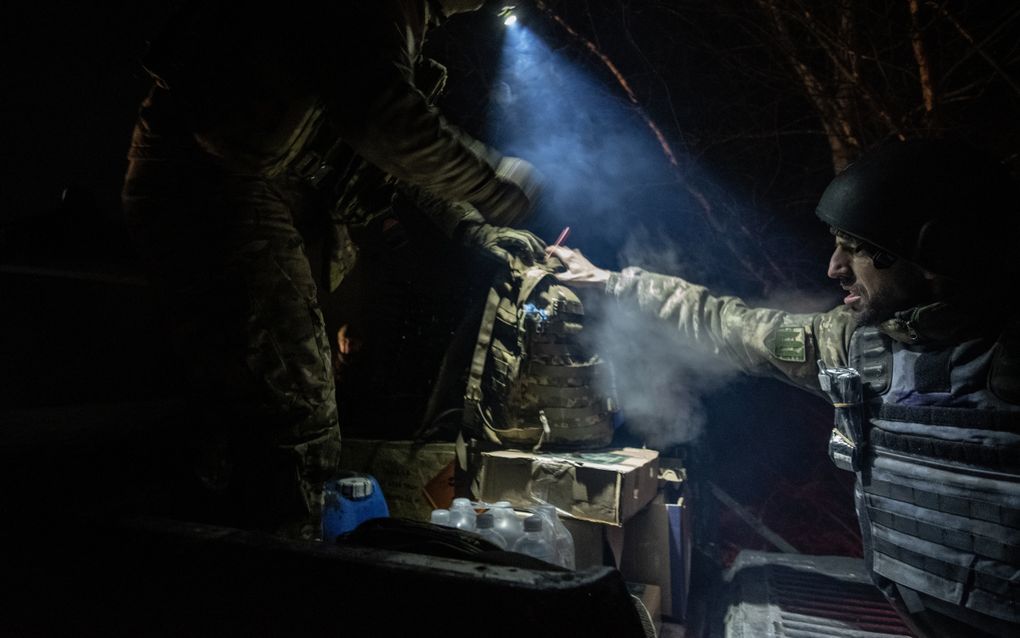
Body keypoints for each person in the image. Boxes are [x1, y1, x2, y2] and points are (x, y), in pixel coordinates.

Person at [548, 138, 1019, 638]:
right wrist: (614, 284)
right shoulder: (859, 345)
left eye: (854, 249)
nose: (834, 267)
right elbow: (729, 327)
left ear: (936, 253)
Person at [121, 0, 545, 539]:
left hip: (244, 184)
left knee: (255, 408)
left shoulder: (397, 22)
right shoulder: (386, 9)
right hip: (207, 182)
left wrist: (474, 226)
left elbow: (390, 155)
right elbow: (383, 118)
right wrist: (497, 183)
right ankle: (280, 575)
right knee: (294, 414)